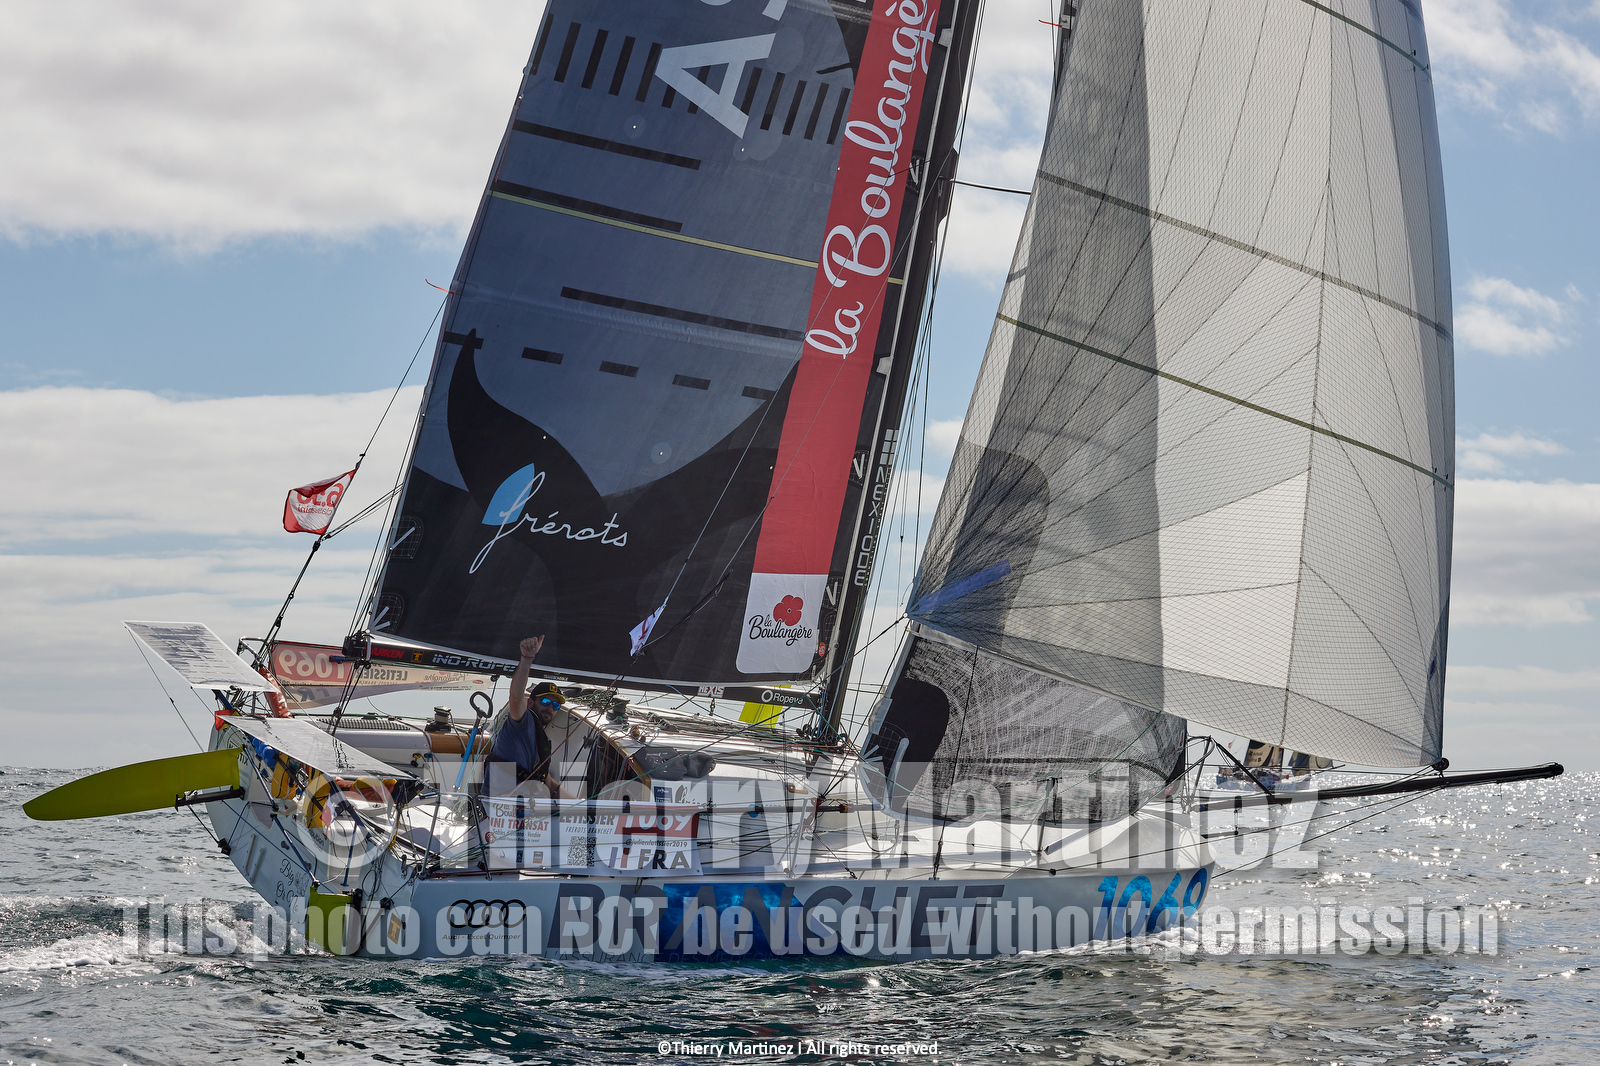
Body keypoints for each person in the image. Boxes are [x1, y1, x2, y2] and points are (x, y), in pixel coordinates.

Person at [487, 635, 568, 797]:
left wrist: (584, 806)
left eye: (556, 705)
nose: (550, 707)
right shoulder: (522, 723)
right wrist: (526, 658)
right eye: (545, 701)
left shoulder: (541, 738)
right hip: (499, 807)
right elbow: (516, 698)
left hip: (526, 807)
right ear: (530, 703)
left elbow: (549, 783)